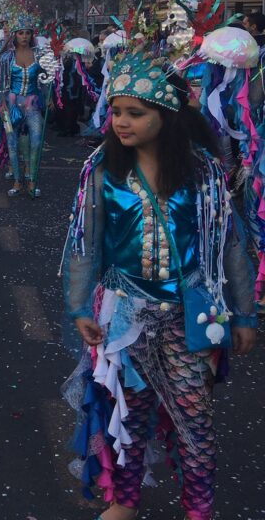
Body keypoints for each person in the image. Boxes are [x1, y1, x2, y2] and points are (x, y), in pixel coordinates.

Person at [61, 50, 257, 520]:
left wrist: (245, 313)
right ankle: (124, 501)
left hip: (193, 314)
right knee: (129, 413)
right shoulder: (104, 173)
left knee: (195, 420)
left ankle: (198, 509)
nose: (121, 121)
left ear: (166, 116)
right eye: (116, 111)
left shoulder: (203, 175)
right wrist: (81, 308)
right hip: (125, 313)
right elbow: (86, 246)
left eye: (135, 112)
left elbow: (230, 247)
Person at [0, 10, 46, 198]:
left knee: (37, 140)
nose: (24, 36)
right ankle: (16, 180)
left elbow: (47, 79)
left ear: (32, 35)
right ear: (14, 34)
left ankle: (31, 179)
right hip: (9, 105)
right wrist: (3, 105)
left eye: (28, 32)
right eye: (21, 32)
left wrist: (53, 72)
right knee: (12, 143)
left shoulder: (39, 56)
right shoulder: (6, 57)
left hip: (32, 104)